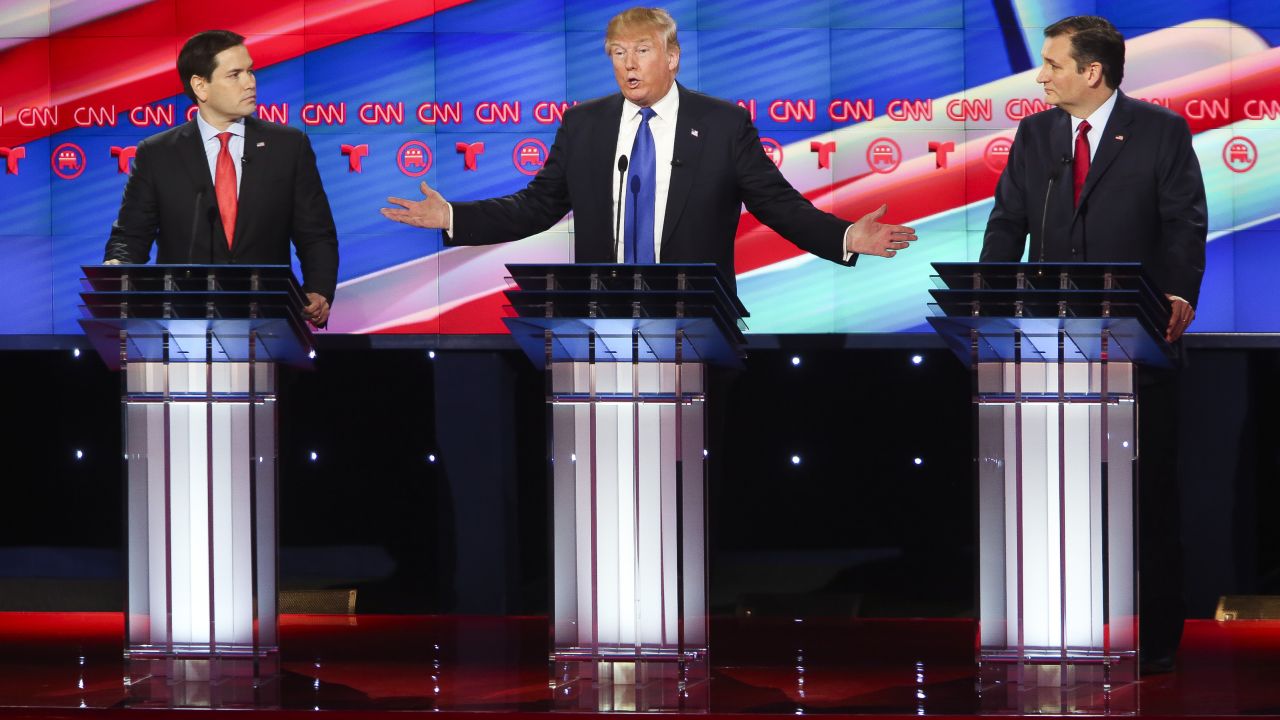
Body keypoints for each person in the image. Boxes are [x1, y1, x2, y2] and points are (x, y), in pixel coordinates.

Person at [380, 7, 916, 291]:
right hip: (598, 324)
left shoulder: (723, 125)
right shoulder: (584, 125)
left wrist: (845, 235)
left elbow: (779, 206)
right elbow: (536, 206)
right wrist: (453, 215)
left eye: (641, 51)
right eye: (618, 53)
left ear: (673, 56)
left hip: (695, 325)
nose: (628, 64)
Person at [981, 15, 1207, 674]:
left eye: (1053, 64)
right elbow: (1007, 223)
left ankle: (1157, 640)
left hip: (1137, 343)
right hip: (1050, 348)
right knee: (1056, 494)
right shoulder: (1035, 133)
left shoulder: (1160, 131)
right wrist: (992, 304)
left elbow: (1184, 223)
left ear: (1092, 72)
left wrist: (1178, 293)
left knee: (1147, 499)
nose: (1041, 74)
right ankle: (1059, 625)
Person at [105, 30, 339, 327]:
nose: (250, 82)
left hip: (267, 322)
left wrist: (318, 289)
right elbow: (131, 237)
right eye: (235, 74)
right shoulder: (157, 154)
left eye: (250, 71)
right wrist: (117, 269)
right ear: (201, 87)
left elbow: (316, 233)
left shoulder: (288, 146)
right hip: (183, 323)